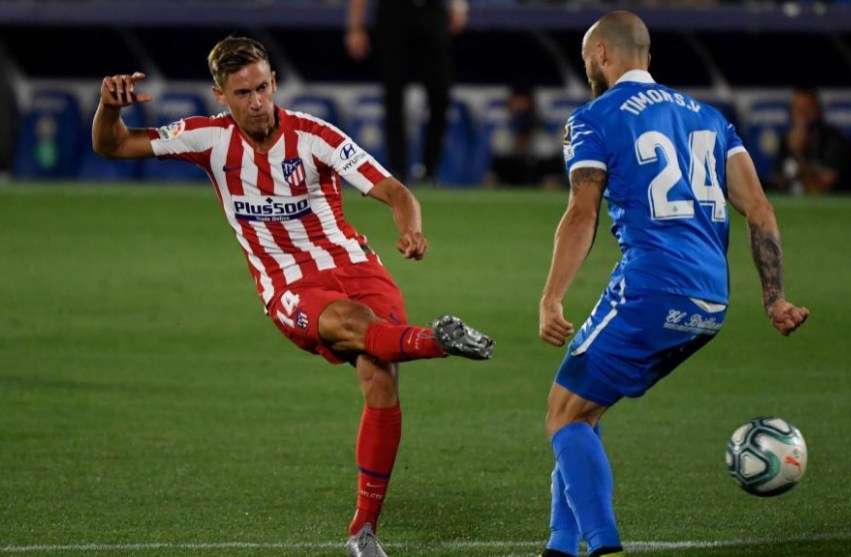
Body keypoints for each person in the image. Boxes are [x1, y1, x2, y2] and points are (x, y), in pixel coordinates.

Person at [91, 35, 494, 557]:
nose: (256, 102)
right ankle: (437, 341)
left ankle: (363, 532)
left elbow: (394, 191)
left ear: (274, 83)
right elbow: (113, 144)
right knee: (354, 324)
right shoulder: (206, 139)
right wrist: (107, 108)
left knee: (380, 378)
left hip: (357, 265)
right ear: (220, 95)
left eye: (262, 88)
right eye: (242, 94)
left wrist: (410, 229)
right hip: (290, 284)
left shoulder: (314, 135)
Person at [537, 12, 809, 557]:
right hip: (711, 299)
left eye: (589, 57)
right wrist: (774, 297)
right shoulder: (710, 119)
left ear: (606, 55)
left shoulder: (594, 118)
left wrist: (552, 295)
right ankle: (560, 547)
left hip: (651, 287)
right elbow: (758, 207)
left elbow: (582, 213)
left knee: (563, 415)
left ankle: (602, 546)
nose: (587, 67)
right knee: (585, 413)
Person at [345, 0, 468, 183]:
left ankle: (429, 169)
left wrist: (459, 5)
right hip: (393, 12)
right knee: (392, 95)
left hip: (430, 10)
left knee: (440, 92)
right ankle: (397, 169)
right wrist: (355, 26)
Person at [770, 88, 851, 195]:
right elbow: (777, 183)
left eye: (805, 110)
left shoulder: (834, 141)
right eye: (796, 110)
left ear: (817, 110)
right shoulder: (786, 140)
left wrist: (798, 154)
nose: (801, 117)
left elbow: (819, 189)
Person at [486, 87, 564, 189]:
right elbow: (492, 180)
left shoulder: (546, 142)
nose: (521, 117)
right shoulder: (501, 139)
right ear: (509, 112)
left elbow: (554, 183)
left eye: (525, 111)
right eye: (517, 111)